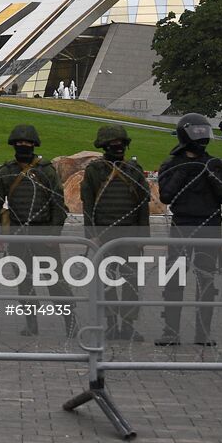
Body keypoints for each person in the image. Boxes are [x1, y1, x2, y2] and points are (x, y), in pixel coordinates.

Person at [155, 113, 222, 347]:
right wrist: (184, 168)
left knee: (207, 282)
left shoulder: (215, 164)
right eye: (196, 132)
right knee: (175, 280)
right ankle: (170, 330)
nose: (200, 137)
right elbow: (166, 196)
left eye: (203, 132)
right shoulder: (172, 164)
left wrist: (209, 172)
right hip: (182, 224)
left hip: (209, 224)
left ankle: (203, 332)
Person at [0, 123, 73, 336]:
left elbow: (58, 203)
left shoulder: (45, 171)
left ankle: (71, 323)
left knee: (56, 282)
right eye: (19, 143)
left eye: (27, 143)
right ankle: (31, 323)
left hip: (43, 232)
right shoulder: (7, 171)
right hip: (18, 232)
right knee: (25, 283)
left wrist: (54, 234)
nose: (23, 146)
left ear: (34, 145)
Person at [81, 125, 151, 341]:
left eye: (121, 145)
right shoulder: (94, 171)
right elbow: (88, 205)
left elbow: (142, 206)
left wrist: (142, 237)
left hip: (129, 234)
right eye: (113, 145)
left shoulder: (134, 170)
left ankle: (128, 324)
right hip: (103, 234)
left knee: (130, 282)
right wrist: (91, 234)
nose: (118, 148)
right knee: (107, 281)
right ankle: (111, 322)